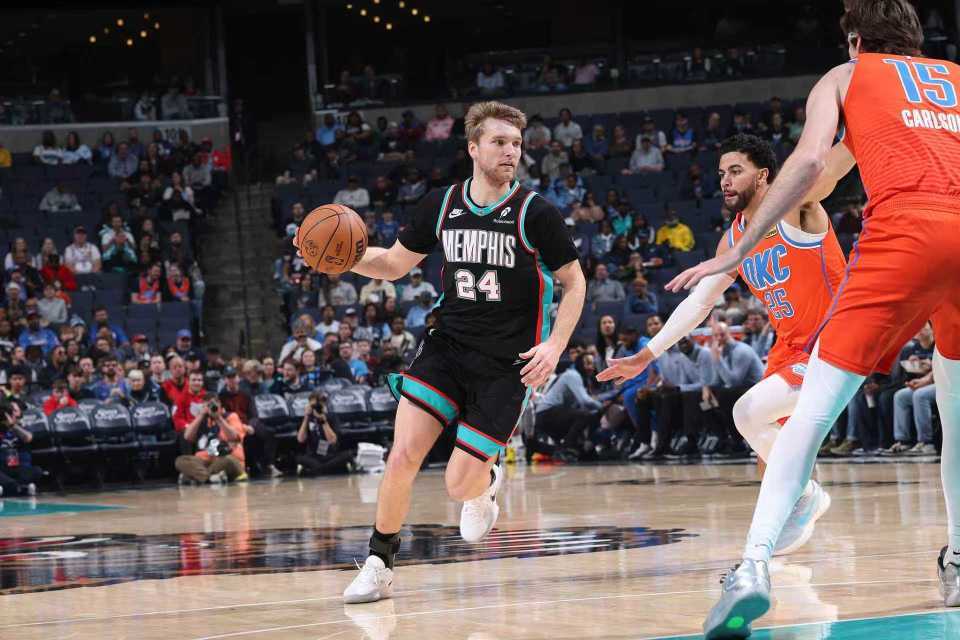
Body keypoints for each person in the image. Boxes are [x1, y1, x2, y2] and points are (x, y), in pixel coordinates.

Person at [664, 2, 960, 632]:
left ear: (855, 39)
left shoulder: (846, 75)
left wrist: (742, 246)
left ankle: (753, 565)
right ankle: (959, 560)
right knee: (956, 412)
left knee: (812, 416)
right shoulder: (955, 79)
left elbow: (807, 166)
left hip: (906, 233)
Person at [312, 101, 584, 604]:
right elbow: (394, 264)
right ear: (473, 147)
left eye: (516, 144)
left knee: (459, 486)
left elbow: (575, 281)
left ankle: (485, 481)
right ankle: (379, 563)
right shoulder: (441, 204)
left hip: (507, 365)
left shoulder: (535, 212)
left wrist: (555, 344)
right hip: (448, 346)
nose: (511, 151)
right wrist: (342, 258)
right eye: (499, 142)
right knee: (402, 455)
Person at [600, 133, 849, 542]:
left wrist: (865, 122)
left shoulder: (795, 207)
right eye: (721, 173)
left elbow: (835, 164)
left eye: (736, 171)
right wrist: (647, 354)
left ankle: (808, 496)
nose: (725, 181)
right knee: (769, 458)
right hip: (788, 348)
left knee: (748, 413)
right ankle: (779, 540)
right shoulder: (733, 240)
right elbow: (700, 303)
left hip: (834, 340)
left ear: (763, 175)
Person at [174, 396, 250, 484]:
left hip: (224, 459)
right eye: (207, 406)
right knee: (180, 461)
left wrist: (218, 418)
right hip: (205, 462)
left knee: (228, 460)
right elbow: (187, 436)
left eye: (212, 405)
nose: (210, 408)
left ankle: (196, 476)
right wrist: (201, 415)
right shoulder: (202, 420)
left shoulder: (231, 416)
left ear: (219, 404)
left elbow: (233, 437)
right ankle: (209, 478)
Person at [296, 390, 354, 475]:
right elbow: (300, 439)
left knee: (348, 455)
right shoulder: (307, 418)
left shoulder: (332, 417)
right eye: (313, 406)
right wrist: (306, 417)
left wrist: (323, 421)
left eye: (318, 405)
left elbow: (332, 440)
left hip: (331, 455)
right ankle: (325, 469)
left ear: (324, 404)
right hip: (313, 456)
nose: (316, 408)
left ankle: (319, 469)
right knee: (299, 458)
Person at [0, 401, 42, 496]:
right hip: (2, 469)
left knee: (37, 471)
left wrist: (12, 425)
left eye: (14, 411)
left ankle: (9, 487)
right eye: (10, 411)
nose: (13, 414)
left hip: (19, 468)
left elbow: (28, 438)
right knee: (7, 480)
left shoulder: (23, 427)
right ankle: (20, 488)